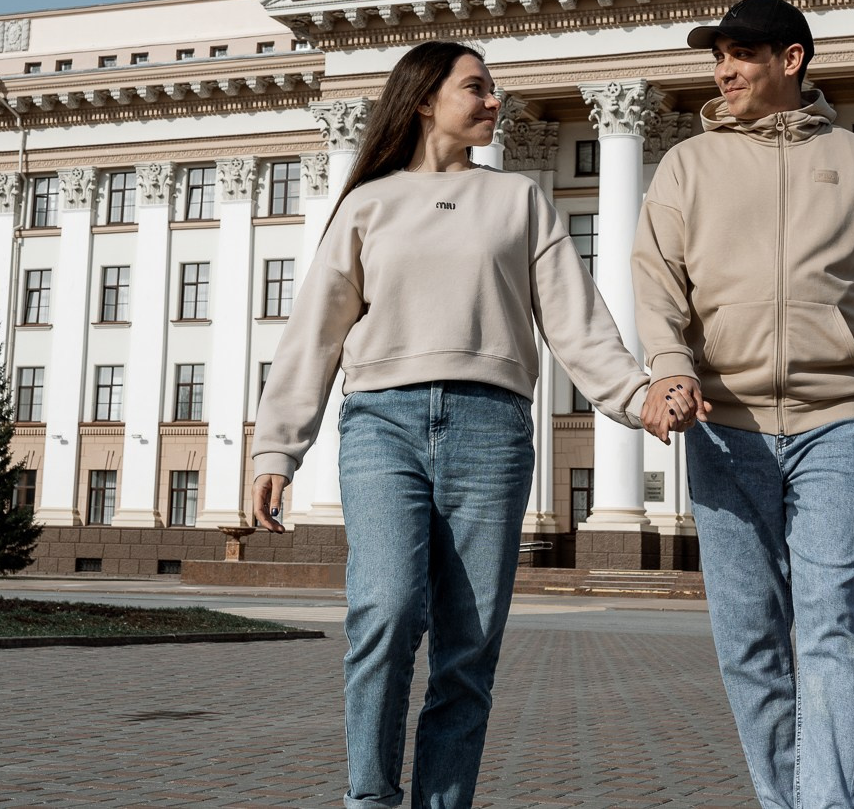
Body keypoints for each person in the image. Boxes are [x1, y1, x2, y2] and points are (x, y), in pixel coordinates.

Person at [250, 39, 656, 809]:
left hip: (491, 429)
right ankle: (369, 797)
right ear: (426, 98)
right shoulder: (367, 203)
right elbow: (316, 331)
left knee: (468, 650)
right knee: (387, 607)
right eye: (478, 87)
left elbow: (577, 321)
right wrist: (278, 446)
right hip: (382, 424)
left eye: (494, 87)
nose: (495, 100)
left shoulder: (518, 201)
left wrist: (636, 397)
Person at [634, 0, 854, 809]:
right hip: (722, 429)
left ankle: (830, 804)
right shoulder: (687, 165)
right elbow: (657, 285)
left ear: (792, 59)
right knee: (748, 640)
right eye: (718, 55)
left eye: (741, 52)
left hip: (835, 425)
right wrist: (670, 367)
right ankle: (786, 800)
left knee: (833, 625)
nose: (724, 69)